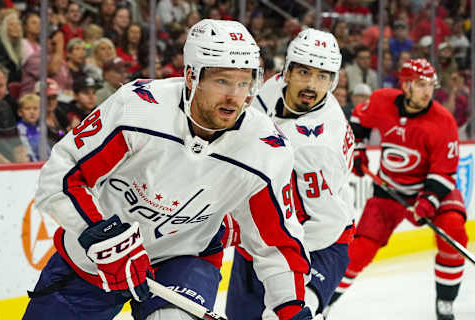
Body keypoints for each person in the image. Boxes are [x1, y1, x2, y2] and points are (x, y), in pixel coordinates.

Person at [22, 19, 313, 320]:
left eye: (244, 83)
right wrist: (100, 235)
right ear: (191, 76)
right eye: (223, 81)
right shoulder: (137, 107)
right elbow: (62, 177)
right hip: (96, 255)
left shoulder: (266, 148)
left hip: (185, 257)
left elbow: (277, 239)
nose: (234, 96)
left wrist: (290, 306)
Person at [224, 28, 355, 320]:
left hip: (317, 245)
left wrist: (280, 270)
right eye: (305, 72)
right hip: (261, 237)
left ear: (333, 81)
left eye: (322, 76)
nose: (312, 84)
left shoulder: (319, 147)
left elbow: (320, 222)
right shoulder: (268, 91)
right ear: (287, 71)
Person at [326, 59, 469, 320]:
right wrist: (358, 151)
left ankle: (445, 304)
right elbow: (358, 119)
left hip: (432, 191)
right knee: (358, 253)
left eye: (430, 86)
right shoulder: (382, 100)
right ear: (405, 85)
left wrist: (426, 204)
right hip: (389, 190)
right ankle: (322, 303)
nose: (428, 92)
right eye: (421, 85)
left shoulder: (443, 122)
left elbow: (444, 173)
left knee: (454, 233)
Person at [16, 93, 51, 161]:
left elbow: (46, 150)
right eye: (27, 109)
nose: (32, 112)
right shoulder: (19, 129)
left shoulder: (40, 128)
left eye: (35, 109)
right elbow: (28, 152)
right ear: (20, 112)